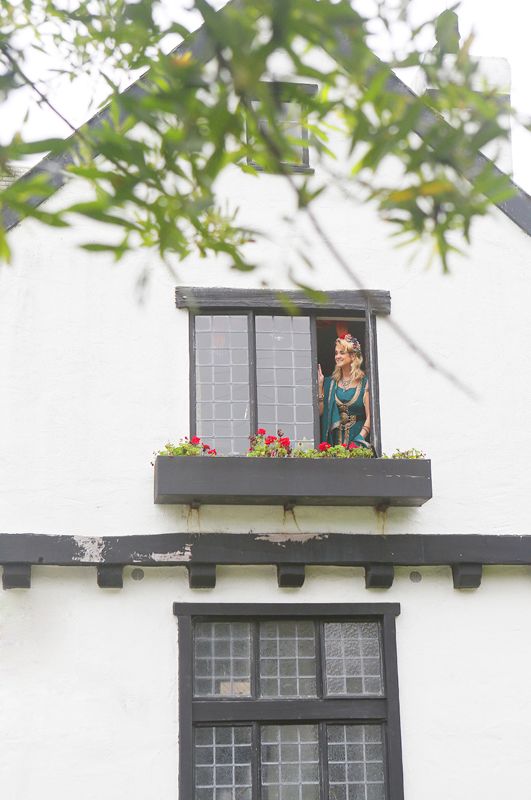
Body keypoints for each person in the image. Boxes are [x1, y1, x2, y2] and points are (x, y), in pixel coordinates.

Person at [317, 333, 371, 447]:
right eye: (336, 353)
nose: (337, 356)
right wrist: (320, 386)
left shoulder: (365, 383)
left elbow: (370, 417)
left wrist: (359, 439)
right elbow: (320, 413)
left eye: (342, 353)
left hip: (357, 444)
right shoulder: (330, 383)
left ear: (353, 356)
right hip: (333, 445)